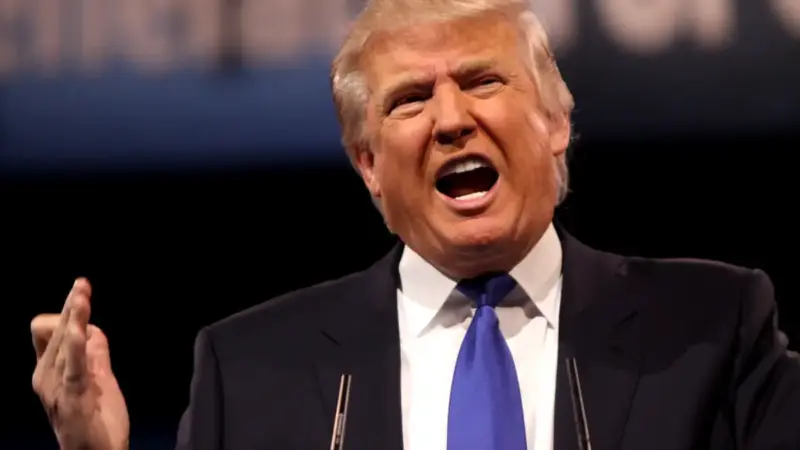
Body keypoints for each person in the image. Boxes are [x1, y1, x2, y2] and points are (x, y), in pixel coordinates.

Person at [30, 0, 800, 449]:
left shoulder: (710, 328)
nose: (451, 120)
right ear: (366, 162)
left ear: (557, 121)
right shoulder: (250, 370)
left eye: (481, 81)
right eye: (408, 100)